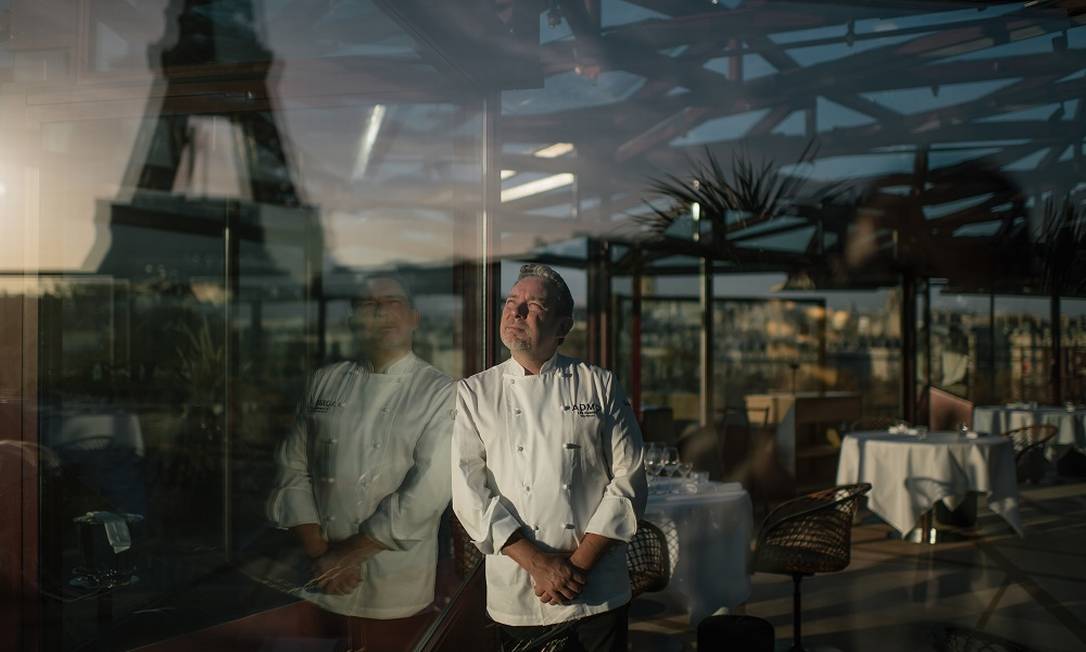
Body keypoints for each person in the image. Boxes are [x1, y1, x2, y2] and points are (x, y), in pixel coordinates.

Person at [452, 264, 647, 652]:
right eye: (512, 301)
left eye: (534, 305)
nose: (516, 312)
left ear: (563, 327)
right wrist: (539, 565)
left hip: (596, 590)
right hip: (522, 593)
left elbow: (630, 480)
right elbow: (469, 495)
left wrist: (576, 567)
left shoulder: (599, 384)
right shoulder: (474, 393)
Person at [266, 273, 453, 649]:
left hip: (395, 584)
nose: (381, 310)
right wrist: (321, 555)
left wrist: (346, 557)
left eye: (392, 301)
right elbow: (292, 469)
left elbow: (428, 492)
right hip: (319, 577)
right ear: (353, 319)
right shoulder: (324, 381)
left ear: (414, 317)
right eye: (369, 304)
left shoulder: (441, 391)